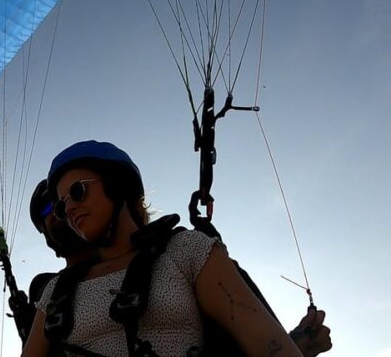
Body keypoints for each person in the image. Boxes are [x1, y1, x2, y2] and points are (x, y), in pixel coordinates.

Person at [22, 140, 332, 357]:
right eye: (62, 207)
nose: (69, 211)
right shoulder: (56, 292)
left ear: (116, 185)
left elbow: (266, 344)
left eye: (78, 192)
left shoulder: (185, 251)